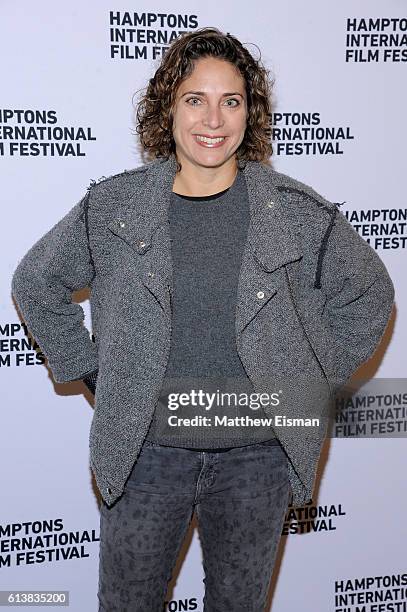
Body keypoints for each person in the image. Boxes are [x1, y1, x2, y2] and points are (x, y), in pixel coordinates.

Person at [11, 27, 395, 612]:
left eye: (231, 101)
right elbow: (34, 282)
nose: (213, 118)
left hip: (257, 458)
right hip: (145, 456)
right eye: (195, 99)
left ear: (250, 112)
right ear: (168, 108)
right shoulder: (116, 206)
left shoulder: (294, 211)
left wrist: (305, 383)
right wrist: (93, 374)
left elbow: (370, 297)